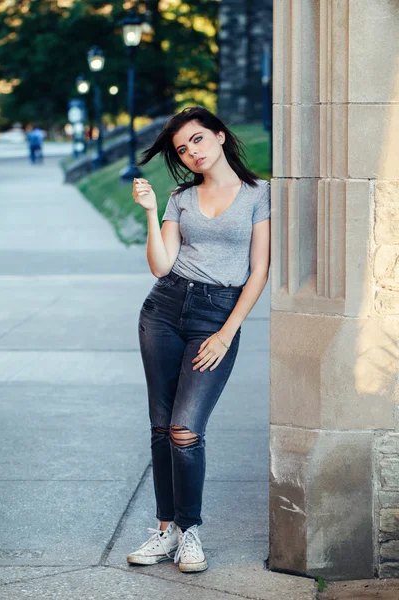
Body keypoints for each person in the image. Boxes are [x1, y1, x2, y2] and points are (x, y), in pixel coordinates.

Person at [126, 106, 271, 573]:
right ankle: (167, 529)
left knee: (186, 431)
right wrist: (152, 213)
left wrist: (227, 334)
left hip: (216, 316)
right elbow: (161, 265)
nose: (191, 153)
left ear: (220, 136)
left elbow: (259, 271)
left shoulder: (258, 194)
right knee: (161, 426)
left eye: (198, 140)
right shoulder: (180, 198)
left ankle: (190, 531)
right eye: (182, 149)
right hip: (164, 310)